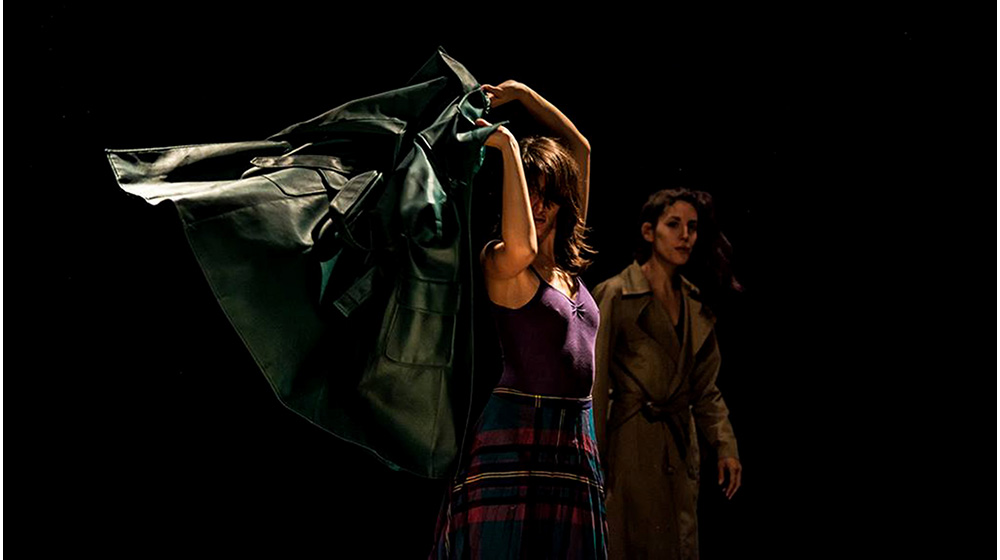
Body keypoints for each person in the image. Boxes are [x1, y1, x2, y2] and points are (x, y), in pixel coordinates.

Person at [429, 80, 608, 559]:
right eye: (529, 194)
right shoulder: (502, 261)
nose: (540, 206)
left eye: (549, 195)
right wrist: (508, 144)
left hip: (574, 441)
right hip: (516, 434)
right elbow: (524, 246)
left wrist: (526, 98)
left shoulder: (565, 265)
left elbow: (580, 150)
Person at [592, 188, 743, 560]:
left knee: (677, 542)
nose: (685, 235)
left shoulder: (695, 305)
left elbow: (705, 389)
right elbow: (595, 383)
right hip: (629, 444)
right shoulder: (616, 294)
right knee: (627, 542)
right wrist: (593, 458)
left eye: (692, 227)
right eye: (673, 225)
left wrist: (725, 446)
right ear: (649, 232)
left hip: (678, 444)